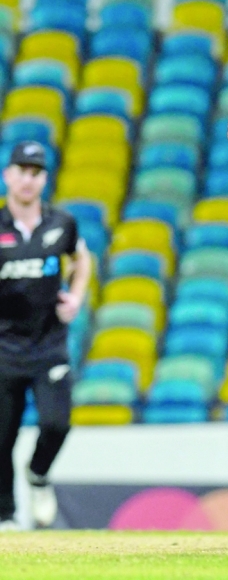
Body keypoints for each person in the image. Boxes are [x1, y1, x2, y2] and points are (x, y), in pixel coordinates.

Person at [0, 141, 90, 530]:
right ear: (8, 176)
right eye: (21, 170)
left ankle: (38, 475)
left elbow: (82, 257)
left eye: (35, 172)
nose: (27, 179)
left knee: (56, 423)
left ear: (43, 180)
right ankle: (5, 515)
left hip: (49, 344)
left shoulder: (62, 224)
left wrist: (76, 297)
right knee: (2, 437)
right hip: (4, 348)